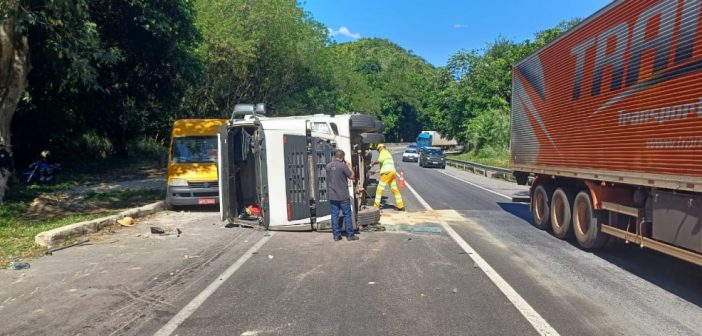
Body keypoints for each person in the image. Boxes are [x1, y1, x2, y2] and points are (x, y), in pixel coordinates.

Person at [326, 149, 358, 241]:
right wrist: (349, 166)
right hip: (343, 195)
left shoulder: (328, 166)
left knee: (334, 215)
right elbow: (352, 177)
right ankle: (350, 235)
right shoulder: (343, 166)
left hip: (332, 195)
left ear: (334, 156)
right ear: (342, 157)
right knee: (347, 214)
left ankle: (336, 235)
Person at [373, 144, 404, 211]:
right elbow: (382, 167)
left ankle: (376, 206)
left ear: (380, 148)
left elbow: (380, 160)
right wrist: (374, 172)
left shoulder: (383, 152)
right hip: (392, 173)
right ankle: (400, 206)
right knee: (395, 190)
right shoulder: (388, 154)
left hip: (386, 173)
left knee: (379, 190)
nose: (378, 152)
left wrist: (373, 163)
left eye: (378, 150)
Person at [0, 139, 14, 203]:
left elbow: (10, 162)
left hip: (4, 170)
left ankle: (1, 199)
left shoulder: (6, 153)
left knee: (2, 185)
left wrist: (10, 170)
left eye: (1, 145)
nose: (0, 147)